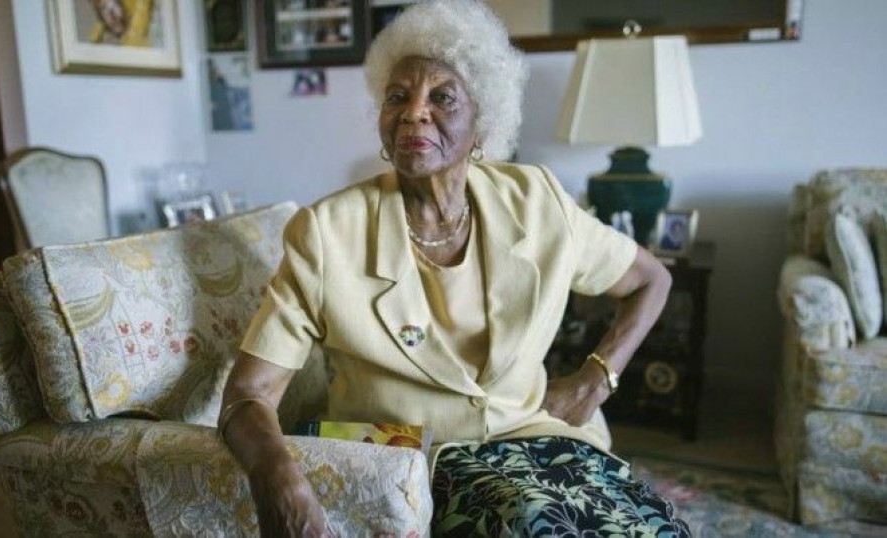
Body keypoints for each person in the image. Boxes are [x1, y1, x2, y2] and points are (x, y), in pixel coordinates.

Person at [218, 1, 687, 536]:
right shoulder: (327, 232)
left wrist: (594, 380)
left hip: (541, 437)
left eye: (442, 97)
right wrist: (278, 478)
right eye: (398, 96)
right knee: (539, 525)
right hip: (414, 458)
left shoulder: (538, 201)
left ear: (482, 123)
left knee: (655, 525)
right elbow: (248, 395)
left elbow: (653, 279)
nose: (414, 112)